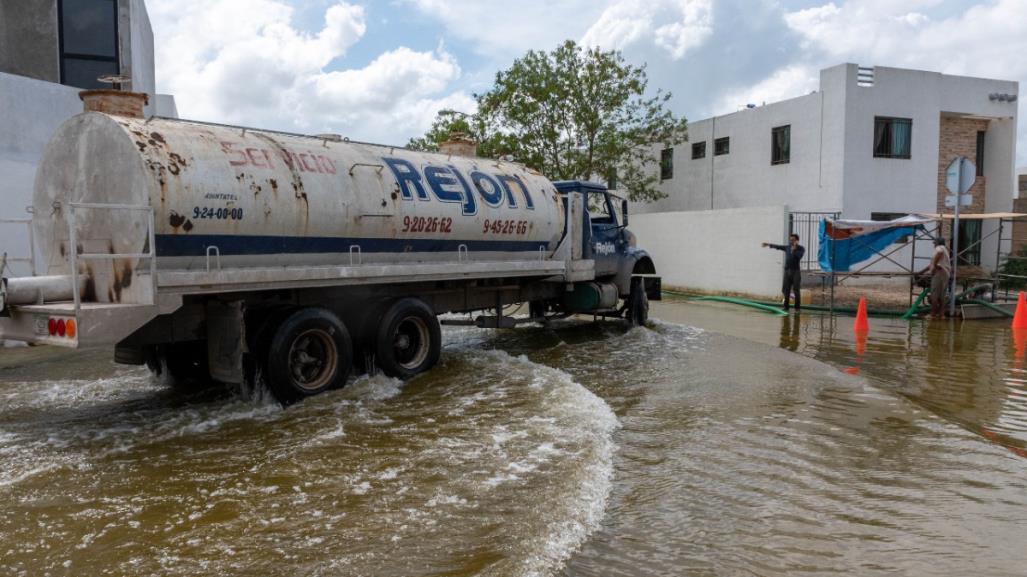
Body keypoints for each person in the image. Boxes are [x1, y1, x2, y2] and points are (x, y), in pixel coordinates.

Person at [762, 234, 805, 311]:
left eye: (793, 240)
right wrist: (768, 244)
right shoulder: (787, 247)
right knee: (786, 290)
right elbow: (778, 247)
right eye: (790, 240)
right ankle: (786, 307)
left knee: (796, 290)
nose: (791, 241)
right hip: (787, 271)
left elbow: (799, 256)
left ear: (796, 241)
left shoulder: (801, 248)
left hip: (796, 272)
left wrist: (794, 249)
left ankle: (797, 308)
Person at [921, 237, 951, 319]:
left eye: (934, 243)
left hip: (939, 274)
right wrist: (921, 272)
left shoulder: (940, 248)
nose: (934, 245)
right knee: (942, 296)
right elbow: (932, 264)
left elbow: (939, 253)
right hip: (945, 274)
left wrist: (934, 266)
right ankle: (941, 314)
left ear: (937, 243)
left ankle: (933, 314)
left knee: (934, 295)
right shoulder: (945, 250)